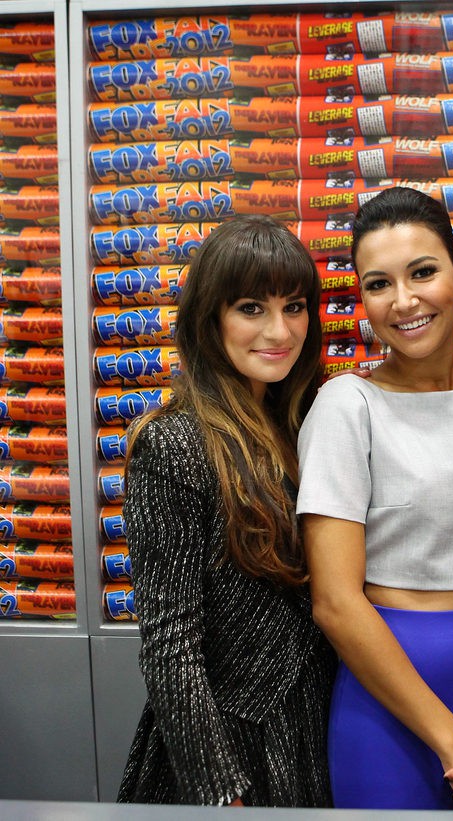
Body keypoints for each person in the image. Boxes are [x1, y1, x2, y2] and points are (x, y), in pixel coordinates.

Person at [297, 187, 453, 811]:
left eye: (423, 272)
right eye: (378, 284)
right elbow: (333, 601)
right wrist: (451, 743)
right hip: (386, 709)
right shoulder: (345, 407)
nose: (404, 301)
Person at [117, 215, 334, 807]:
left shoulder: (309, 421)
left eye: (294, 306)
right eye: (251, 308)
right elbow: (169, 641)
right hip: (227, 747)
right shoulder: (174, 445)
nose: (279, 330)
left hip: (313, 732)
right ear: (211, 317)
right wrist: (221, 793)